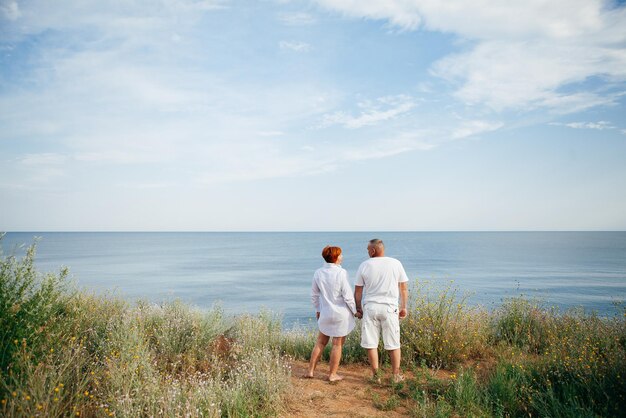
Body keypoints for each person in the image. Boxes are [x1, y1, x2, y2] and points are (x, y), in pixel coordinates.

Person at [354, 239, 409, 383]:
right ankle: (396, 376)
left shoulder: (364, 265)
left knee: (371, 343)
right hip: (390, 308)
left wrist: (358, 308)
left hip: (371, 308)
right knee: (393, 344)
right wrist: (403, 307)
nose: (367, 252)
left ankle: (375, 375)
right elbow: (403, 288)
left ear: (373, 251)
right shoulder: (396, 263)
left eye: (367, 249)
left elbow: (358, 291)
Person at [307, 245, 358, 382]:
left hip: (325, 313)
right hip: (341, 314)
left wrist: (318, 310)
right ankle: (332, 374)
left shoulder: (318, 273)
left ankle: (311, 371)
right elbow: (347, 296)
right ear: (335, 257)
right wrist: (355, 311)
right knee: (337, 344)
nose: (342, 257)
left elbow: (314, 295)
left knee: (320, 342)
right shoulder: (341, 273)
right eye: (340, 255)